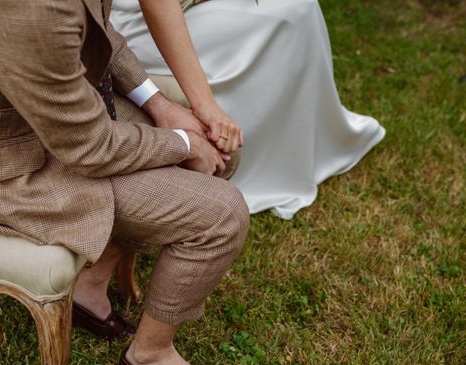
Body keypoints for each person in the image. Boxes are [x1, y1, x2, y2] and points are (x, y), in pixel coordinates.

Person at [0, 0, 250, 365]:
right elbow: (89, 148)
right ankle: (149, 358)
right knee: (222, 214)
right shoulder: (24, 9)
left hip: (45, 111)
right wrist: (183, 144)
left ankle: (89, 280)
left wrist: (160, 105)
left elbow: (99, 30)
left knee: (221, 158)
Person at [111, 0, 386, 218]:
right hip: (138, 23)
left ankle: (297, 152)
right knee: (290, 18)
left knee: (302, 8)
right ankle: (252, 167)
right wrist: (204, 103)